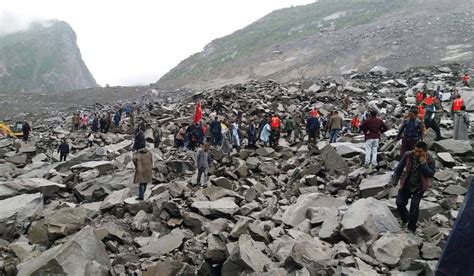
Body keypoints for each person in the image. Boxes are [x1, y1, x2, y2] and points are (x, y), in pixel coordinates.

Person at [390, 142, 436, 233]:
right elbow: (399, 168)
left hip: (419, 187)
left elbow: (430, 174)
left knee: (414, 207)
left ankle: (411, 228)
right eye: (416, 151)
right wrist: (395, 180)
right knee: (399, 202)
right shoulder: (408, 155)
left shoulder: (430, 159)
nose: (417, 153)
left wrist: (424, 165)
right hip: (407, 183)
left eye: (420, 152)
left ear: (425, 152)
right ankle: (405, 218)